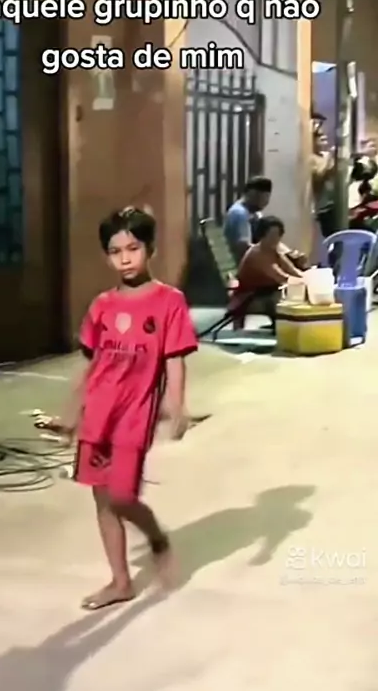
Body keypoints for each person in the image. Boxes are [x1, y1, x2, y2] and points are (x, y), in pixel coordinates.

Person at [35, 206, 197, 610]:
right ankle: (120, 581)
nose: (125, 258)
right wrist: (71, 413)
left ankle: (156, 536)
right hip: (97, 414)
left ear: (150, 249)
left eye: (133, 248)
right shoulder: (102, 306)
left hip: (135, 413)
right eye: (115, 251)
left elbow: (175, 358)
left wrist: (177, 406)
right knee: (103, 501)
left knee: (123, 496)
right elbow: (91, 366)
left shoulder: (169, 302)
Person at [231, 215, 304, 329]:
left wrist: (309, 277)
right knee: (289, 294)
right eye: (271, 235)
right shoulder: (257, 254)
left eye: (277, 235)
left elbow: (293, 271)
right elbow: (281, 277)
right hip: (248, 297)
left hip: (265, 292)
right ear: (262, 235)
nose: (275, 239)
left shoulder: (274, 251)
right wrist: (302, 281)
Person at [224, 175, 307, 269]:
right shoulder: (239, 214)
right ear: (254, 194)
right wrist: (278, 257)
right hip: (243, 267)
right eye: (265, 197)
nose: (266, 202)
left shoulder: (255, 213)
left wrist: (289, 253)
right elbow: (244, 248)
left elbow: (269, 240)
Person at [311, 126, 335, 238]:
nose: (325, 143)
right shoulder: (311, 158)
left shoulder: (325, 155)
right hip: (322, 204)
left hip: (332, 201)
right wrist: (329, 158)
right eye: (322, 140)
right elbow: (318, 176)